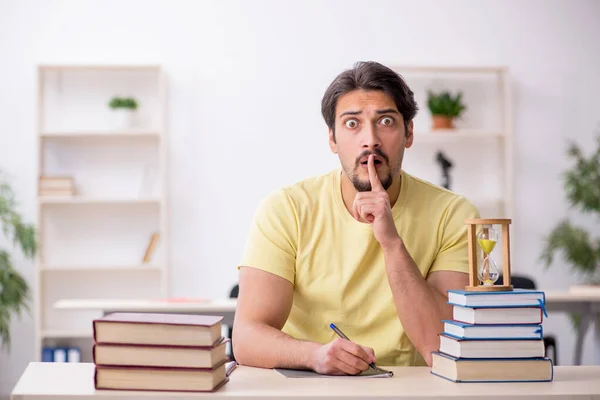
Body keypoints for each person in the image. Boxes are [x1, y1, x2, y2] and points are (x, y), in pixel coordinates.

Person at [232, 61, 479, 375]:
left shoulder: (454, 215)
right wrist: (316, 356)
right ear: (332, 139)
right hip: (309, 389)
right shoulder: (286, 209)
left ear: (409, 133)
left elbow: (441, 347)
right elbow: (246, 337)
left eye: (386, 120)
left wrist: (391, 244)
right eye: (352, 124)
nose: (370, 140)